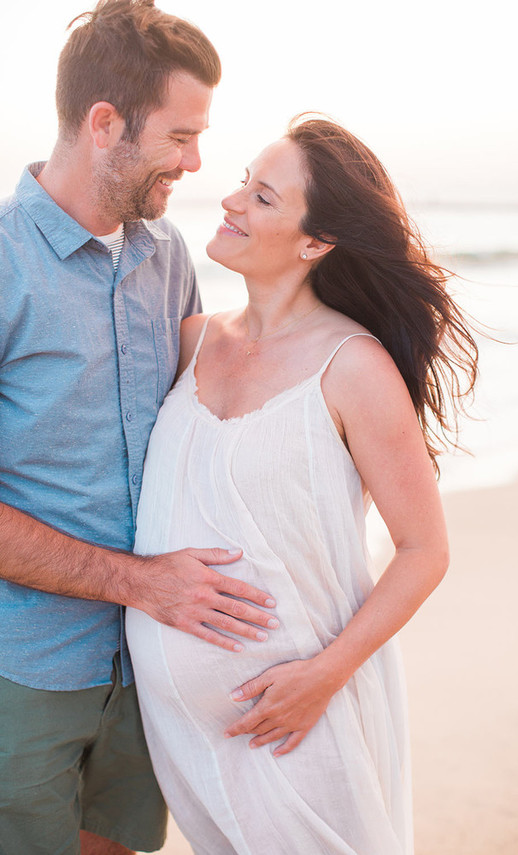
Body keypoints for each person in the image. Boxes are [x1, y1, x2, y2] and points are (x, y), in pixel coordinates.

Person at [126, 115, 479, 854]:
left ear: (316, 241)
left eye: (262, 197)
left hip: (302, 718)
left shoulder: (353, 366)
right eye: (243, 182)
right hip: (188, 738)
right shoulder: (191, 341)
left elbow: (424, 550)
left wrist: (323, 675)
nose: (230, 201)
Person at [0, 2, 280, 853]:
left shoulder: (165, 255)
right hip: (23, 670)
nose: (196, 163)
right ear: (104, 122)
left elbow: (213, 414)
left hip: (149, 666)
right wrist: (139, 581)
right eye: (180, 137)